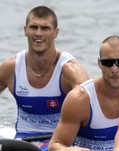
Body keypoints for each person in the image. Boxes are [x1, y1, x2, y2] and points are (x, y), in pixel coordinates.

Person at [0, 6, 88, 139]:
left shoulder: (70, 70)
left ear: (55, 32)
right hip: (24, 141)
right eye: (33, 27)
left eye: (45, 28)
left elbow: (90, 109)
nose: (38, 33)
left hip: (60, 143)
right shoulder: (10, 68)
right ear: (25, 31)